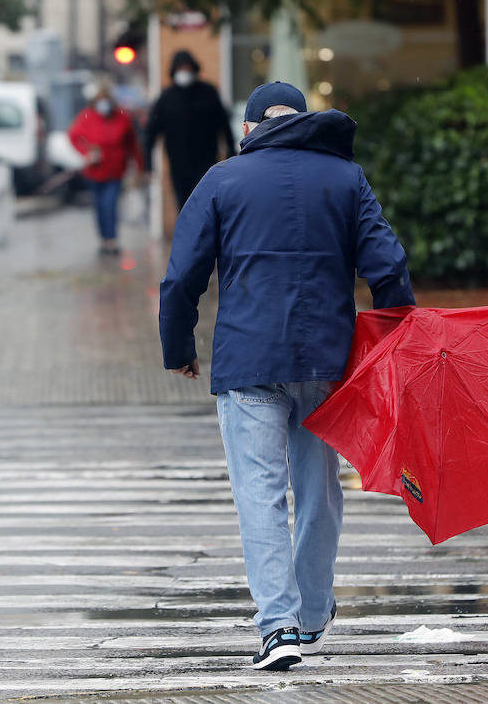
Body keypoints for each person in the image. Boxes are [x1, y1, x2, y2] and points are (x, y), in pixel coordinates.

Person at [157, 81, 414, 670]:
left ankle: (278, 626)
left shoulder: (223, 179)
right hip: (327, 360)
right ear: (304, 122)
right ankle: (315, 612)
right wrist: (397, 341)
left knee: (260, 497)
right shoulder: (346, 180)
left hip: (248, 359)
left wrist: (178, 348)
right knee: (319, 494)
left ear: (249, 130)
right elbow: (388, 268)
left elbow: (181, 277)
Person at [144, 50, 237, 210]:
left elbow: (224, 124)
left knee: (206, 203)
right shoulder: (166, 98)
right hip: (178, 163)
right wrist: (148, 164)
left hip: (206, 161)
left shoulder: (208, 93)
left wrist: (230, 151)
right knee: (184, 205)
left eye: (187, 69)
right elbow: (151, 132)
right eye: (181, 69)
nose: (184, 73)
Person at [68, 79, 144, 255]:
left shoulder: (122, 118)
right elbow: (73, 136)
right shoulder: (87, 117)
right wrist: (87, 152)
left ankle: (112, 240)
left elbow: (132, 144)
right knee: (99, 207)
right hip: (94, 172)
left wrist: (139, 166)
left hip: (115, 170)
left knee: (109, 204)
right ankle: (103, 239)